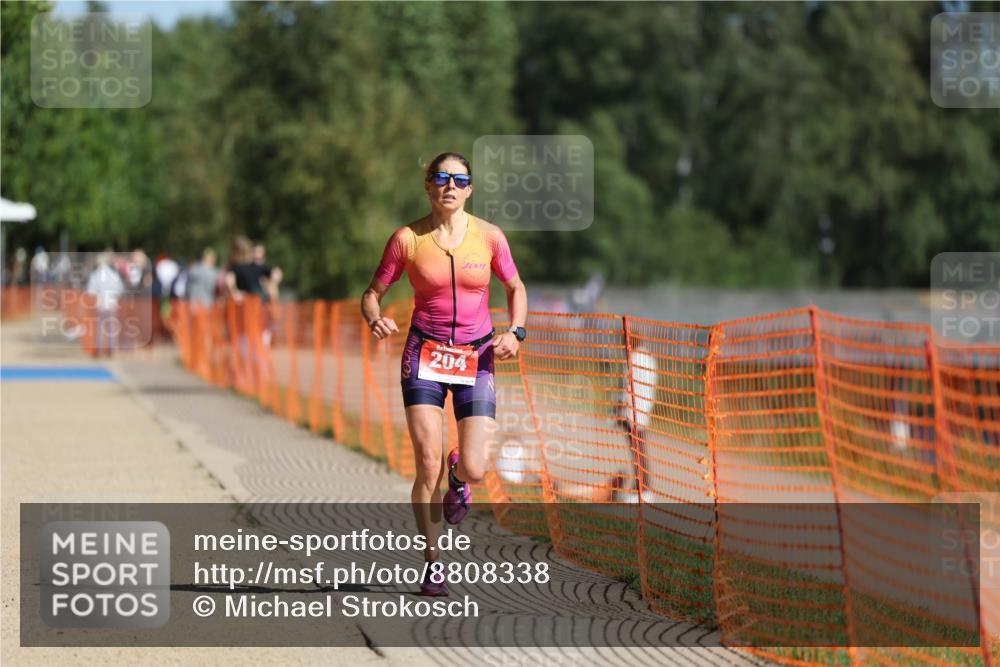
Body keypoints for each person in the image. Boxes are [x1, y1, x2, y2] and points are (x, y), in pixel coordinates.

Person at [361, 152, 528, 597]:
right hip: (424, 354)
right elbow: (373, 293)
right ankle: (434, 564)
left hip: (477, 354)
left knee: (474, 467)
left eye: (459, 179)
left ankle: (459, 479)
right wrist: (374, 317)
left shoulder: (490, 238)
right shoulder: (407, 240)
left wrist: (517, 332)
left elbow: (515, 287)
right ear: (428, 187)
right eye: (440, 177)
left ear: (470, 188)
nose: (449, 185)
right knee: (426, 462)